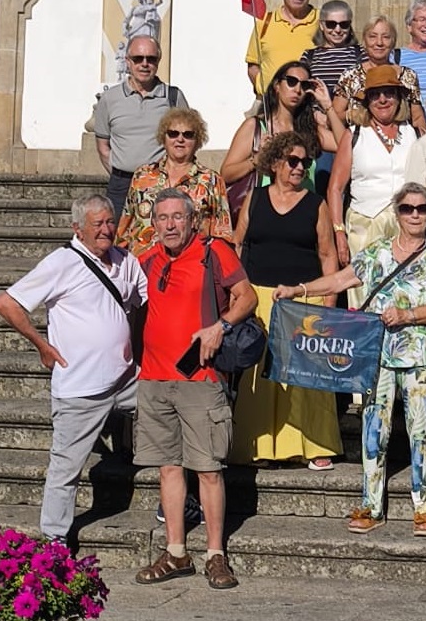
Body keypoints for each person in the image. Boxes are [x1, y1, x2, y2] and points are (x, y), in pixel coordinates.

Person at [275, 183, 426, 538]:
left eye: (421, 209)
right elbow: (340, 280)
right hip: (377, 355)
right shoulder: (377, 253)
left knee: (423, 432)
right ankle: (371, 503)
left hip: (420, 355)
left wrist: (409, 315)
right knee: (375, 429)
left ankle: (424, 508)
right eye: (407, 208)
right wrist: (299, 290)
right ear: (397, 212)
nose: (415, 214)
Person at [0, 193, 148, 543]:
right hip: (80, 387)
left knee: (175, 414)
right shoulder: (62, 262)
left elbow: (146, 301)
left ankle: (177, 507)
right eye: (98, 224)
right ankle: (54, 542)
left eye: (110, 222)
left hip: (126, 379)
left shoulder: (125, 260)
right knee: (65, 470)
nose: (107, 230)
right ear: (77, 228)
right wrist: (41, 345)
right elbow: (5, 303)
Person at [133, 188, 256, 590]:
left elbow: (247, 297)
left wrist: (220, 327)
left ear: (191, 221)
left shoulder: (212, 252)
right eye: (162, 218)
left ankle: (216, 554)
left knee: (208, 470)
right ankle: (176, 552)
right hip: (153, 379)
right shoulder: (145, 260)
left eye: (177, 217)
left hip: (200, 380)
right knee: (168, 468)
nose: (170, 224)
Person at [230, 131, 342, 470]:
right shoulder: (255, 198)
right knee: (258, 380)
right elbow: (237, 245)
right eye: (292, 161)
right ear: (275, 163)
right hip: (259, 298)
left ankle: (314, 444)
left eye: (304, 162)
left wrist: (329, 304)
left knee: (306, 376)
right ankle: (258, 445)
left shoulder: (316, 204)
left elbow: (327, 256)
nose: (299, 168)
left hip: (303, 298)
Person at [327, 65, 420, 307]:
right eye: (375, 94)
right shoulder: (355, 134)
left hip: (406, 225)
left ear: (398, 97)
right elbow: (335, 188)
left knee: (404, 295)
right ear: (367, 100)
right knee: (364, 294)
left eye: (388, 93)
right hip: (364, 226)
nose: (382, 100)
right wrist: (339, 233)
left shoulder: (413, 133)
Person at [220, 61, 341, 220]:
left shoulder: (309, 129)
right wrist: (257, 159)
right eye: (291, 82)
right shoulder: (256, 126)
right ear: (277, 86)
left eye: (304, 85)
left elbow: (344, 145)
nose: (297, 90)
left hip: (304, 214)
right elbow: (226, 173)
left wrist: (328, 106)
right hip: (265, 214)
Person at [116, 107, 232, 257]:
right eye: (173, 133)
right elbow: (125, 225)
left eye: (188, 134)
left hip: (191, 265)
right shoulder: (142, 176)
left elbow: (222, 233)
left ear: (198, 140)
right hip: (144, 265)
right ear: (163, 138)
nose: (180, 139)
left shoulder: (211, 180)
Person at [93, 35, 187, 218]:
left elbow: (188, 140)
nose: (144, 64)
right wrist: (120, 172)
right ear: (128, 61)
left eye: (151, 59)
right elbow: (103, 146)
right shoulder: (110, 99)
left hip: (162, 183)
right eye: (138, 59)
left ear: (158, 61)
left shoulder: (173, 97)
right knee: (118, 242)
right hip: (121, 186)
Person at [333, 15, 426, 132]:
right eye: (372, 37)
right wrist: (357, 114)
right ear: (364, 41)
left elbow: (417, 117)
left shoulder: (408, 76)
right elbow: (334, 117)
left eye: (386, 37)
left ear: (393, 41)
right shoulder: (350, 76)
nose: (379, 43)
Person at [245, 0, 319, 97]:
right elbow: (253, 64)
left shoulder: (324, 23)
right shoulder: (264, 23)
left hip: (309, 106)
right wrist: (263, 90)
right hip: (270, 106)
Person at [299, 0, 365, 98]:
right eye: (331, 24)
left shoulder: (361, 53)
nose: (338, 30)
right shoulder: (309, 56)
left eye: (344, 24)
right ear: (322, 25)